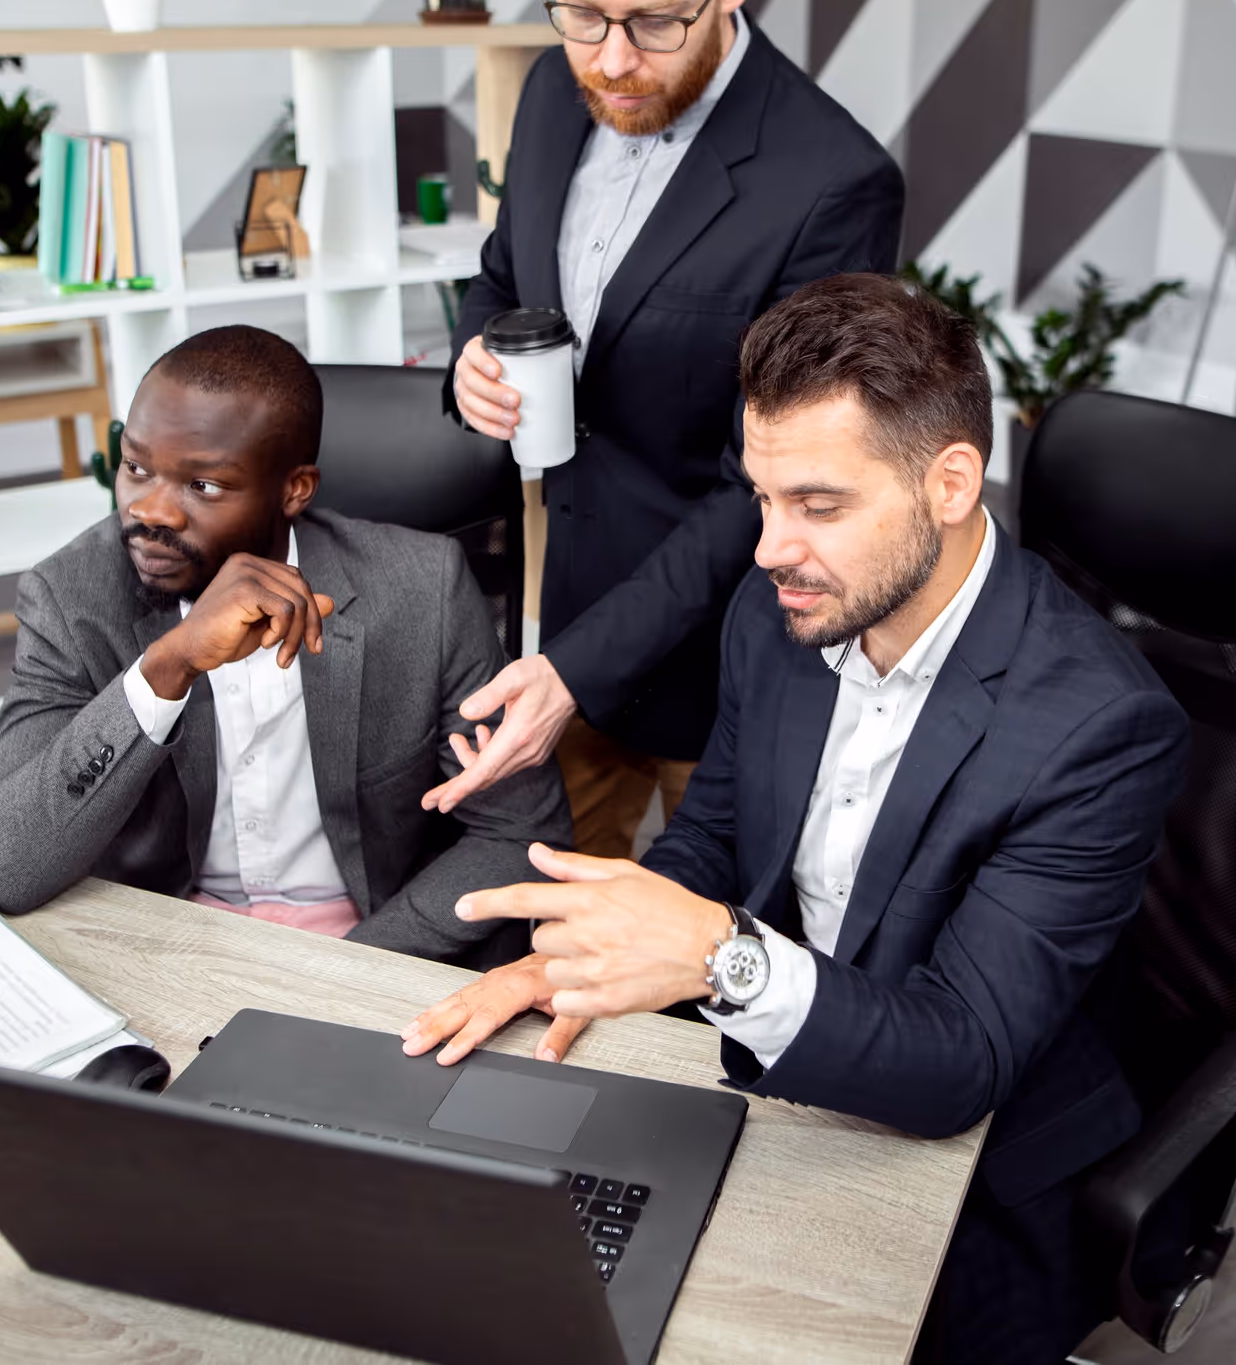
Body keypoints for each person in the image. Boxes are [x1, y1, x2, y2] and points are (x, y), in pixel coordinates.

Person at [404, 276, 1191, 1360]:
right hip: (780, 1077)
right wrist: (590, 954)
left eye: (817, 505)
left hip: (975, 1167)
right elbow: (713, 838)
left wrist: (719, 960)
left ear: (949, 483)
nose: (770, 545)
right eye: (762, 498)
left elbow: (962, 1058)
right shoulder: (779, 614)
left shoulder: (1099, 727)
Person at [433, 0, 905, 860]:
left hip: (735, 673)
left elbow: (772, 482)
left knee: (713, 994)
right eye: (578, 10)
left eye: (653, 21)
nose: (606, 59)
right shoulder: (557, 93)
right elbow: (505, 274)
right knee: (550, 957)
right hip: (571, 629)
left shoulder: (832, 182)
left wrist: (580, 665)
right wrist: (473, 359)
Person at [0, 326, 572, 963]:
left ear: (295, 491)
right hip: (167, 946)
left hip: (373, 942)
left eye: (202, 486)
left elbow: (521, 830)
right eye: (136, 467)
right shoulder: (71, 598)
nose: (152, 511)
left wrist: (347, 973)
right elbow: (6, 869)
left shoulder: (424, 589)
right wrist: (166, 666)